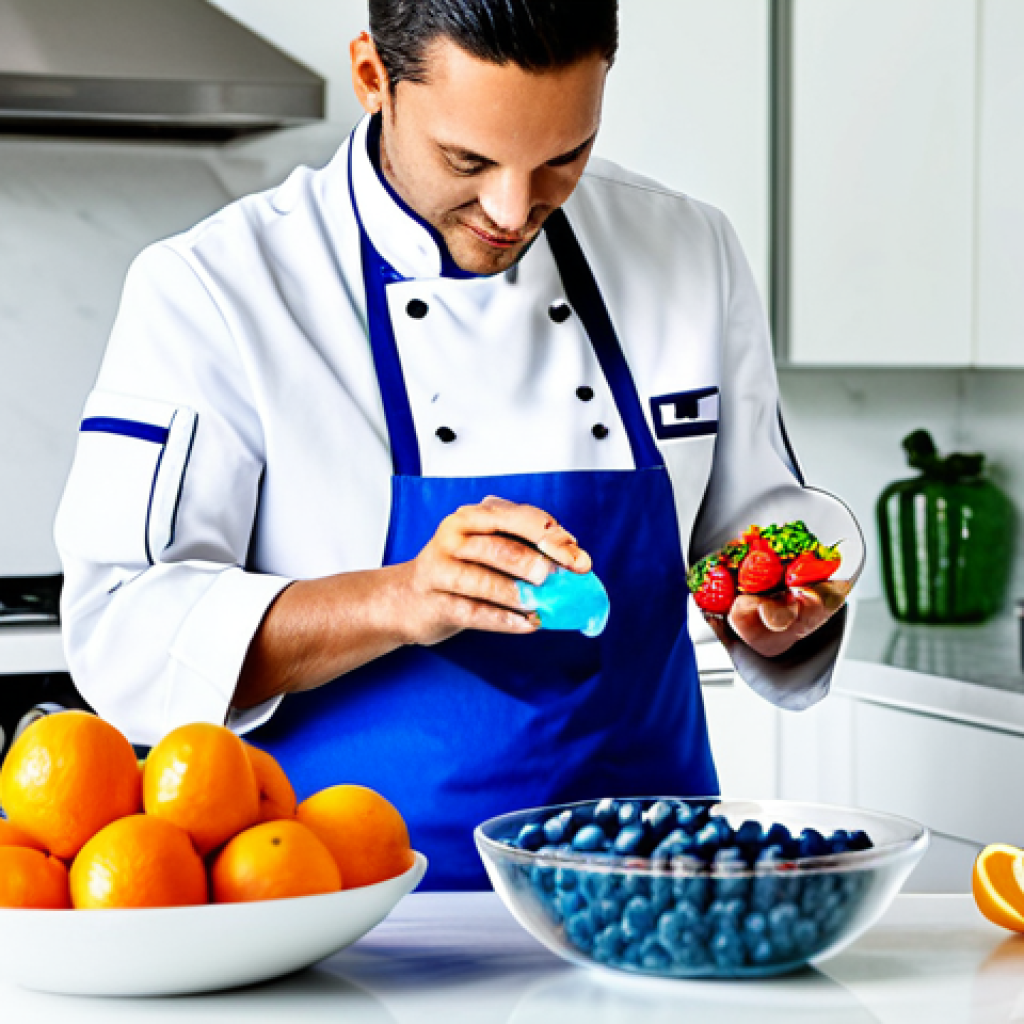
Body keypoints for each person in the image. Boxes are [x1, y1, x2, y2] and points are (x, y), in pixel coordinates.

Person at [55, 0, 861, 890]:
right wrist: (398, 598)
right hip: (341, 901)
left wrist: (780, 615)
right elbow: (122, 634)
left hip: (658, 891)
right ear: (373, 77)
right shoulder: (217, 288)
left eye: (563, 157)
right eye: (467, 161)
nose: (513, 210)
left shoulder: (686, 249)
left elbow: (754, 538)